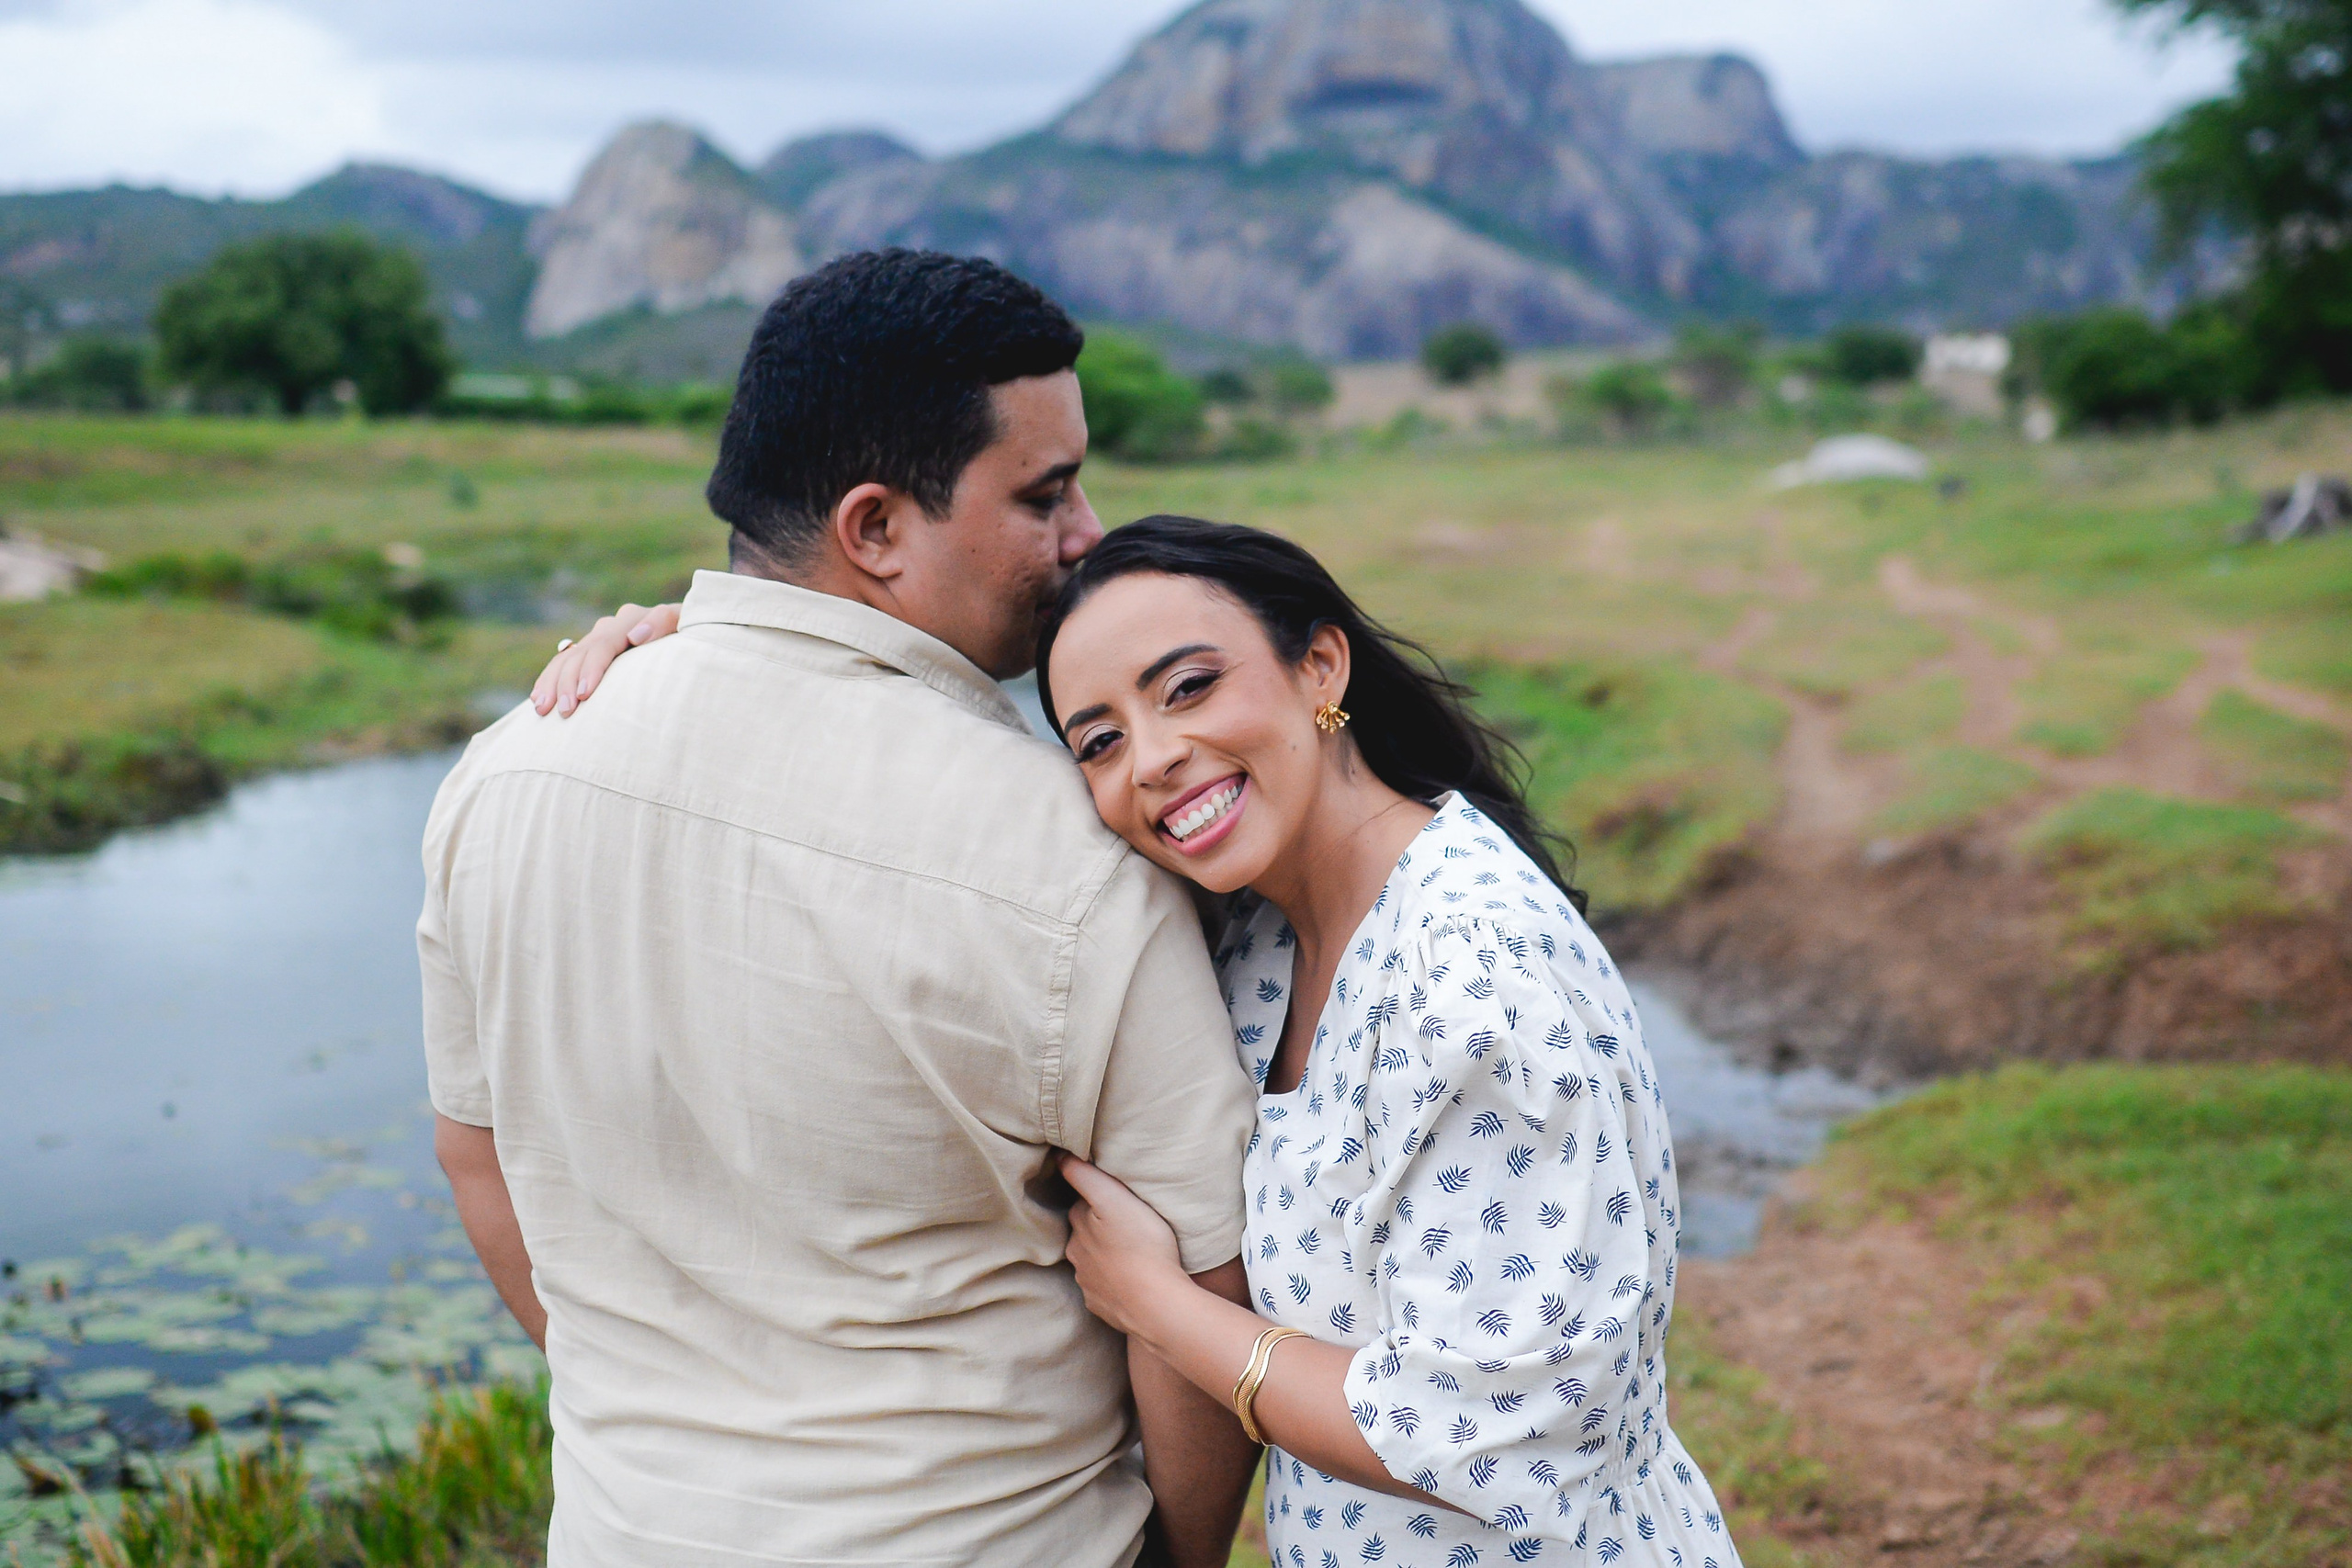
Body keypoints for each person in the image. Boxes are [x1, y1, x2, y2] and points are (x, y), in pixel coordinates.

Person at [548, 516, 1742, 1567]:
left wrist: (1160, 1308)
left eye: (1189, 688)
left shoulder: (1475, 978)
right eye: (1100, 740)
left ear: (1320, 666)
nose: (1155, 758)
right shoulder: (1259, 934)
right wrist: (713, 663)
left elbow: (1491, 1437)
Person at [423, 250, 1263, 1568]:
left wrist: (661, 1427)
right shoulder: (1075, 854)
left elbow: (477, 1156)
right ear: (875, 529)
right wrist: (1180, 1555)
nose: (1087, 533)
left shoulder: (506, 771)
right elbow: (1203, 1275)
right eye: (1044, 493)